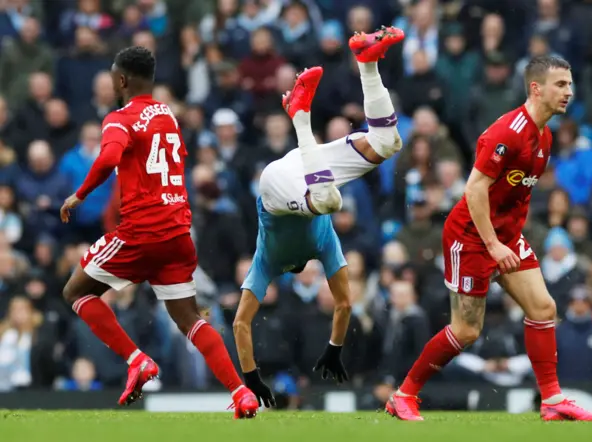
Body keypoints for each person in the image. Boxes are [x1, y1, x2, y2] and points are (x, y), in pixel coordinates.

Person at [386, 55, 592, 422]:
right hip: (470, 236)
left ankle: (551, 400)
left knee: (544, 309)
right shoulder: (508, 132)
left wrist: (510, 237)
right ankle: (404, 394)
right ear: (536, 88)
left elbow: (515, 194)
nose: (569, 91)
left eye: (570, 84)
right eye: (561, 85)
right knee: (467, 330)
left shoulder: (545, 135)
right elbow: (474, 190)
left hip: (504, 234)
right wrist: (493, 245)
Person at [59, 46, 259, 419]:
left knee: (75, 291)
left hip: (141, 231)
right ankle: (241, 393)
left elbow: (107, 157)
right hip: (178, 232)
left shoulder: (119, 119)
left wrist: (79, 195)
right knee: (189, 318)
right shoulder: (168, 115)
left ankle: (137, 360)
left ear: (120, 80)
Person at [232, 27, 405, 407]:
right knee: (336, 193)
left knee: (386, 141)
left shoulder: (268, 261)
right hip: (297, 178)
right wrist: (333, 348)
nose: (310, 272)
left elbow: (240, 323)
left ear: (295, 271)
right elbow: (344, 304)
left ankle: (362, 64)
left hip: (283, 182)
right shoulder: (323, 245)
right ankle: (327, 95)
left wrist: (249, 379)